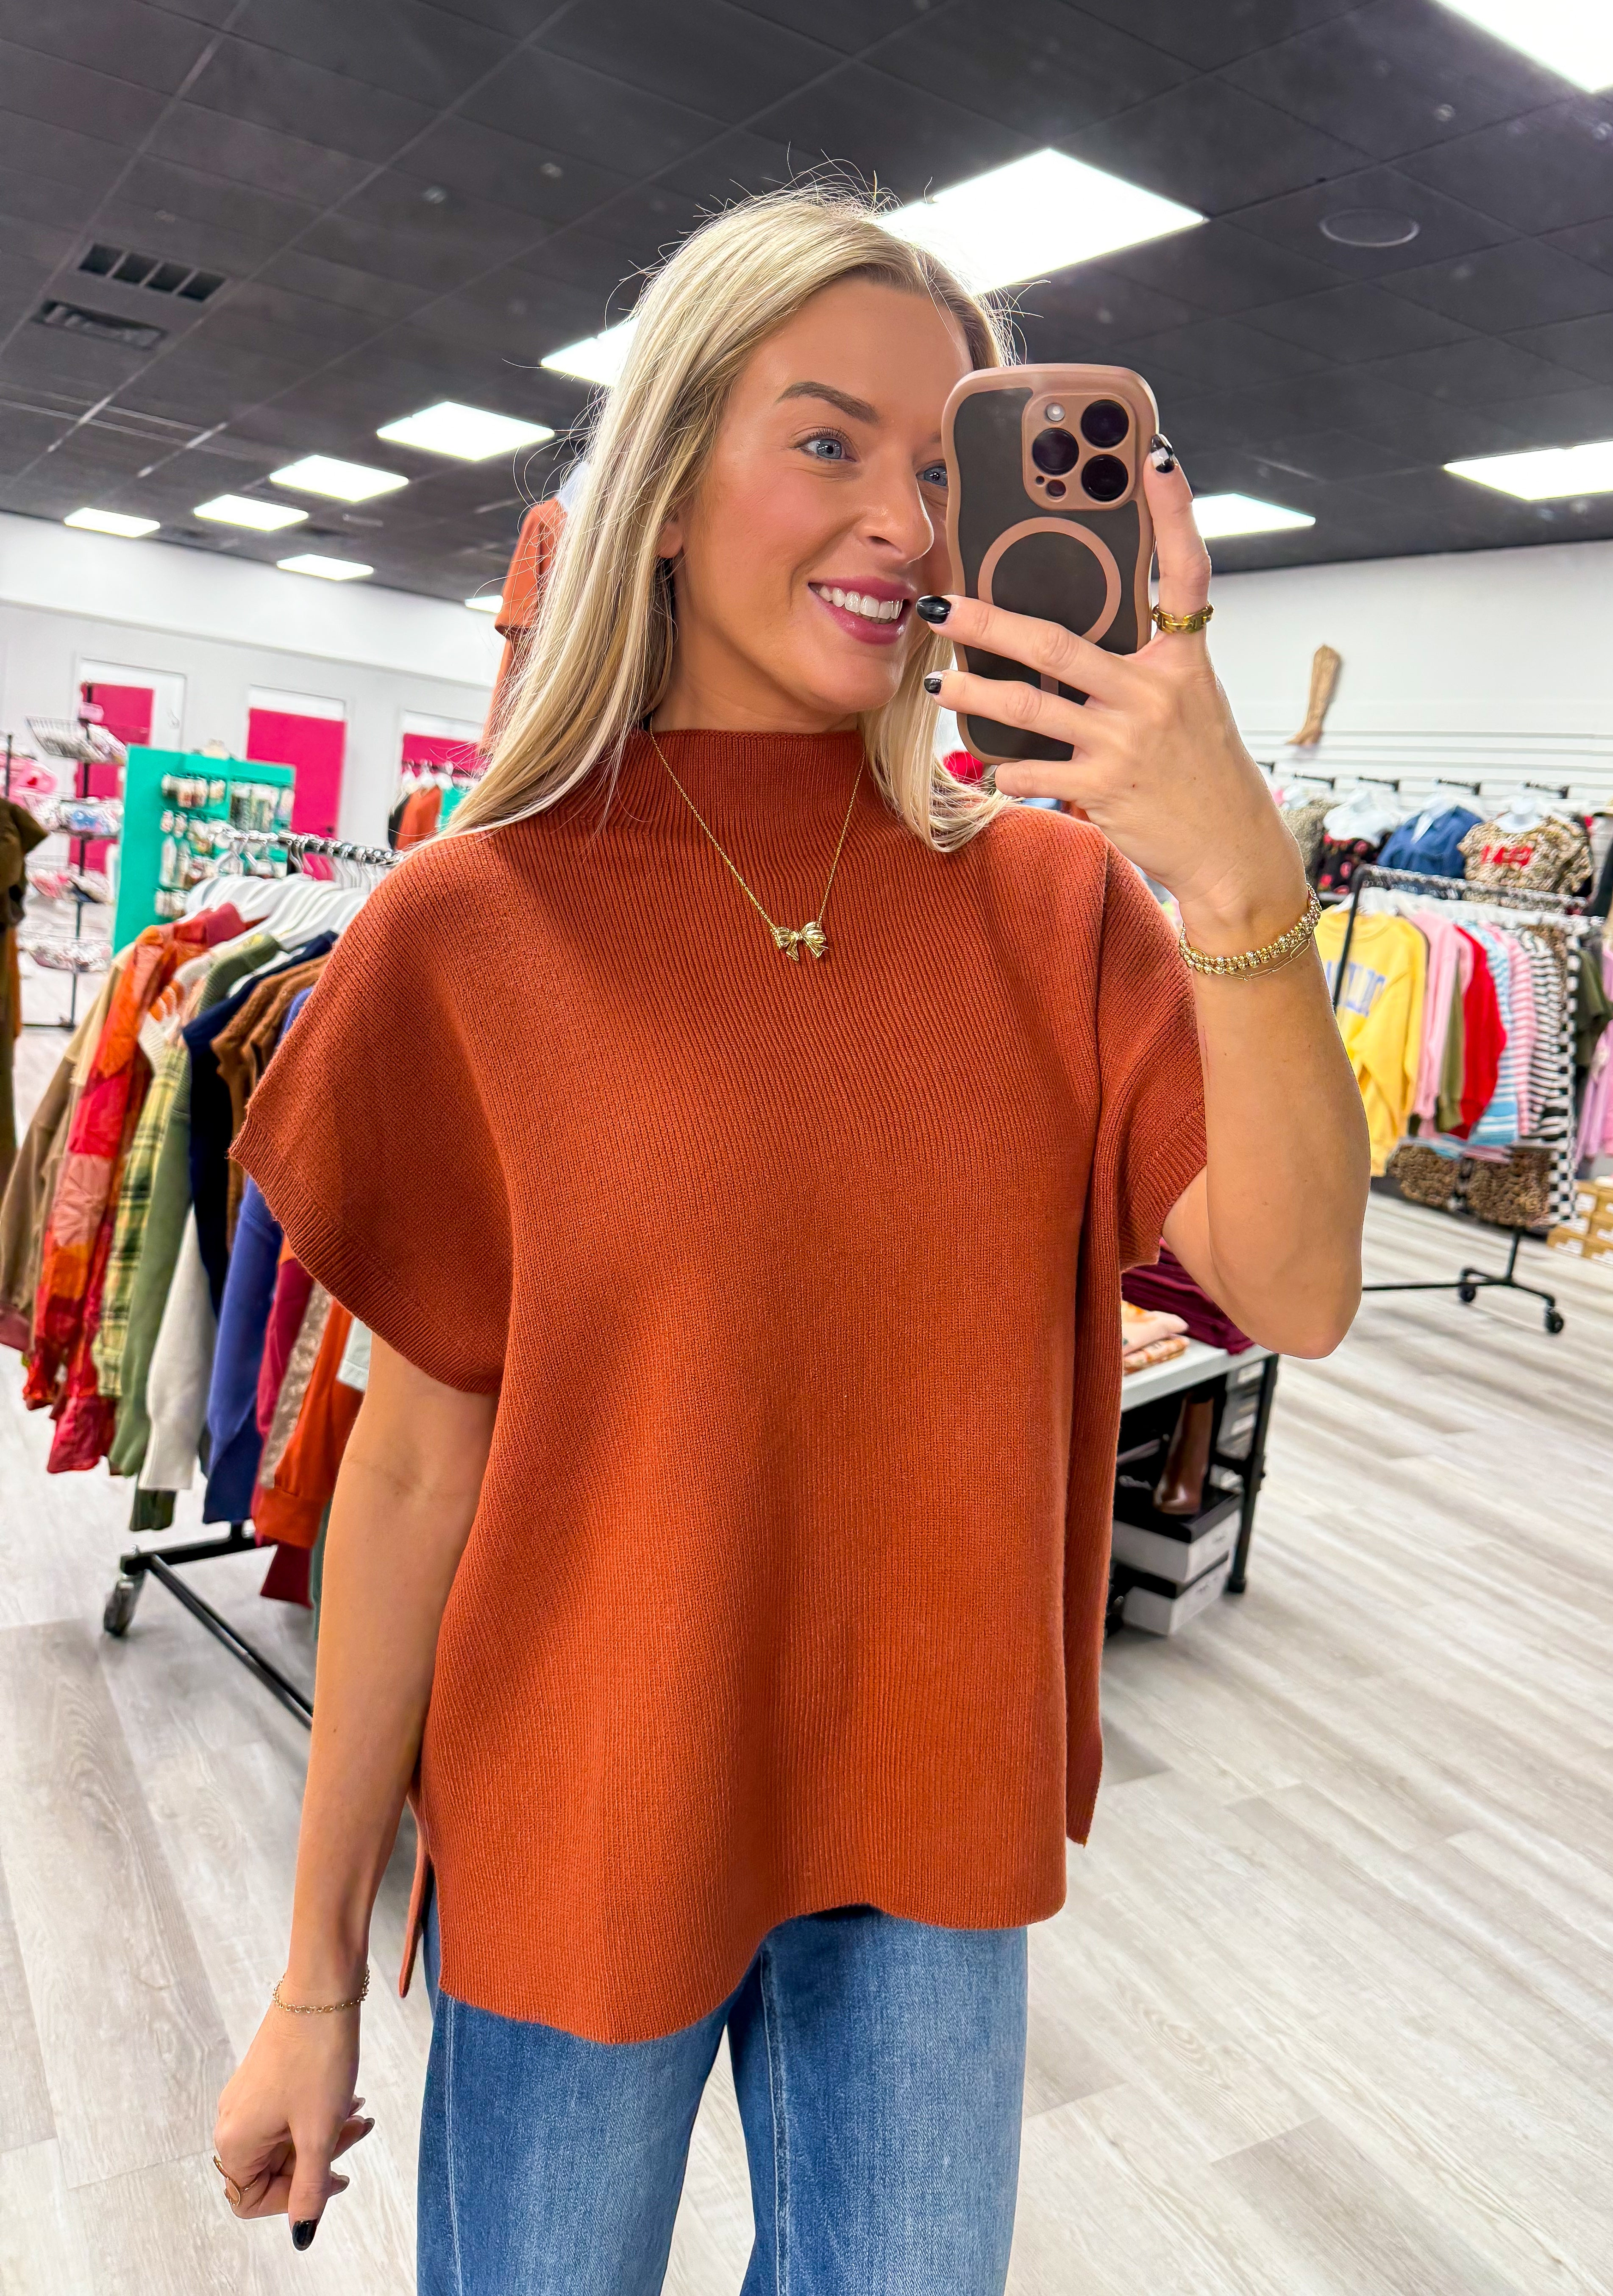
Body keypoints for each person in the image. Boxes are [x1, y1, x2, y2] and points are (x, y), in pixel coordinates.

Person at [212, 183, 1368, 2293]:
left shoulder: (1057, 912)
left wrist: (1229, 868)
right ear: (665, 488)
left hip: (928, 1831)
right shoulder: (474, 926)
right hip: (585, 1810)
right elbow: (411, 1470)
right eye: (827, 439)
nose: (905, 523)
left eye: (943, 465)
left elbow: (1295, 1288)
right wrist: (313, 1977)